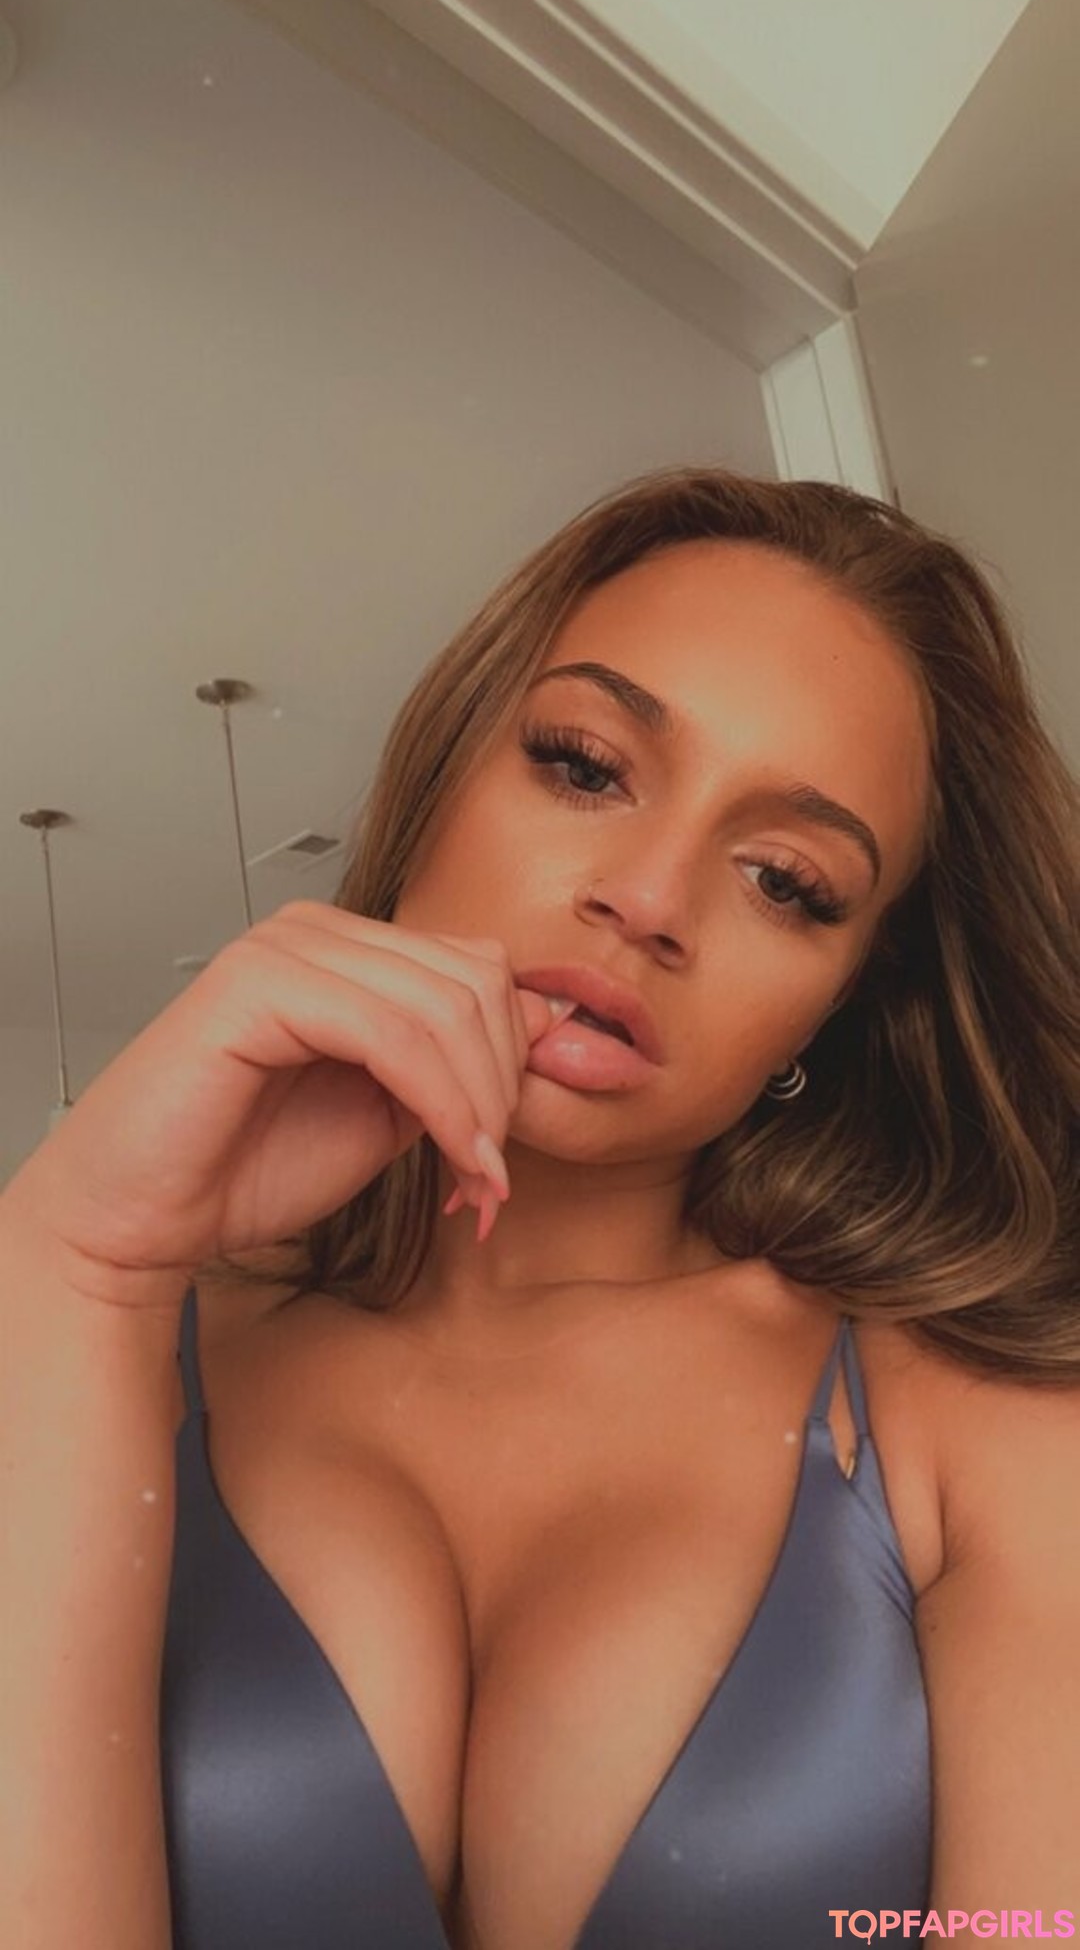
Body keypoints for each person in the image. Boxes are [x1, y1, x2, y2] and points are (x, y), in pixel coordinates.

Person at [2, 466, 1078, 1950]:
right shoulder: (93, 1336)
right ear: (444, 769)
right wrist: (76, 1263)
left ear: (844, 996)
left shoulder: (979, 1425)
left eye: (786, 880)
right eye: (584, 766)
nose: (649, 898)